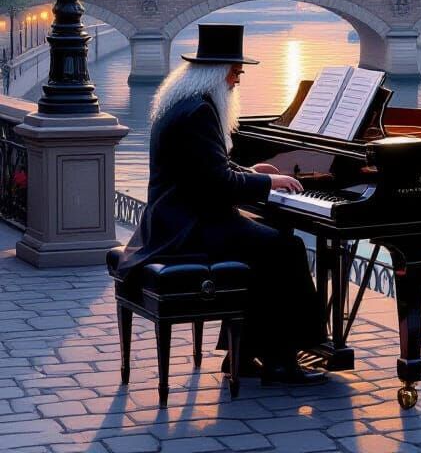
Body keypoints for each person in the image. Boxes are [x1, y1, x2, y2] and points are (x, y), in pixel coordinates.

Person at [117, 23, 326, 385]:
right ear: (217, 72)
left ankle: (243, 354)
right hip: (189, 228)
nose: (237, 81)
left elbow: (204, 168)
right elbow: (219, 184)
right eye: (235, 72)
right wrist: (268, 183)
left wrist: (251, 171)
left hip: (174, 220)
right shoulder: (200, 111)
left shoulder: (180, 103)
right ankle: (281, 361)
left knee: (268, 243)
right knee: (286, 249)